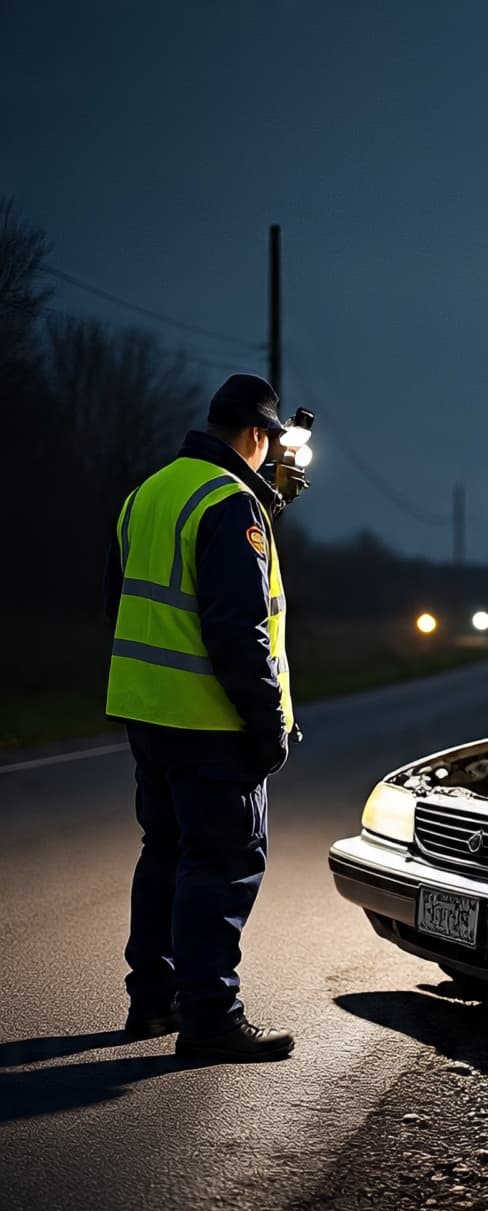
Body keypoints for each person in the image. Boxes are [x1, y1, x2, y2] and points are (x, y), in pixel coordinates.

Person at [105, 373, 298, 1062]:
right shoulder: (229, 502)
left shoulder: (149, 493)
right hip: (211, 723)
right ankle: (210, 1017)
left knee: (164, 852)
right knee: (219, 863)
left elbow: (125, 601)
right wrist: (267, 722)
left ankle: (151, 1000)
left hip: (149, 711)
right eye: (272, 442)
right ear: (256, 434)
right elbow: (236, 627)